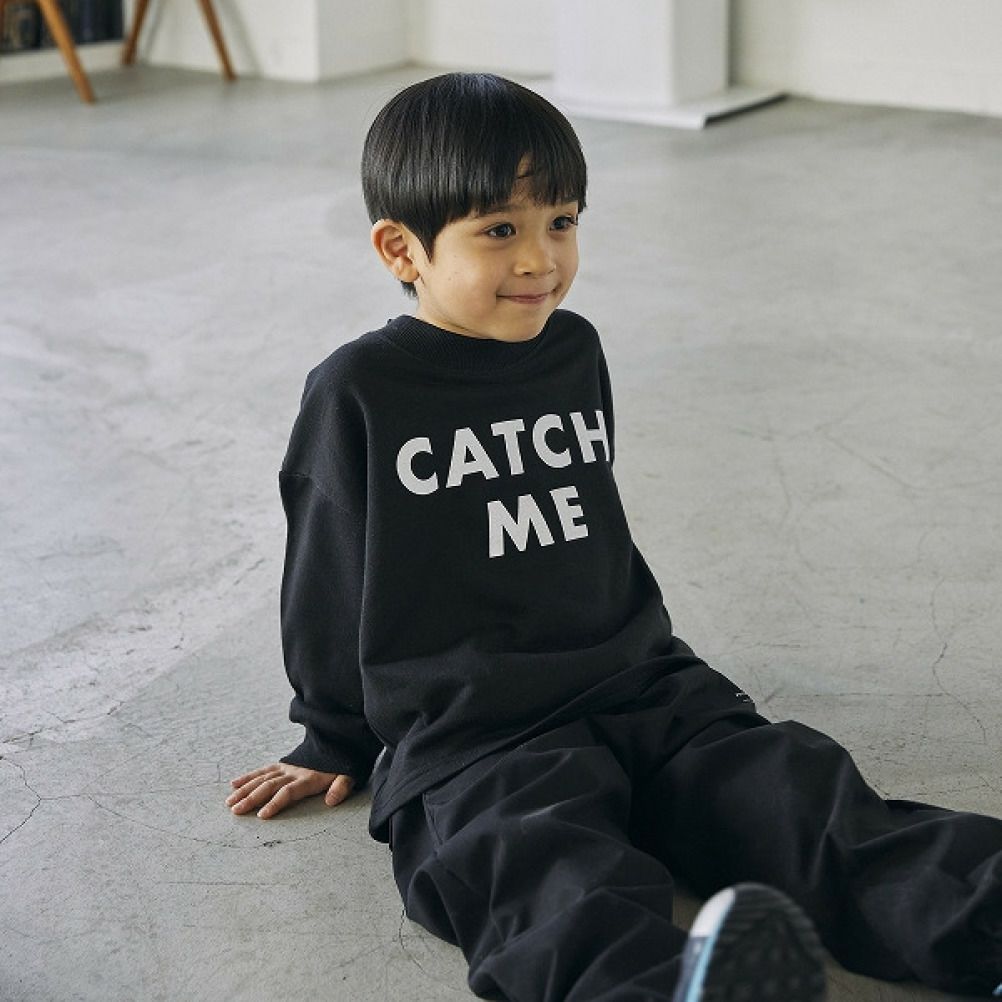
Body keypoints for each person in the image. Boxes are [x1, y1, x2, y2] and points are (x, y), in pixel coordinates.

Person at [225, 72, 1002, 1001]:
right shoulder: (359, 391)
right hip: (480, 733)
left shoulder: (572, 347)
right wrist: (332, 735)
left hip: (646, 686)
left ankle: (982, 918)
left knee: (804, 807)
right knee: (546, 876)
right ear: (402, 249)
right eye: (499, 230)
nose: (541, 260)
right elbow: (326, 574)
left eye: (561, 221)